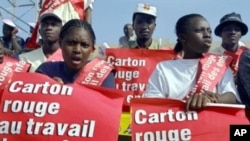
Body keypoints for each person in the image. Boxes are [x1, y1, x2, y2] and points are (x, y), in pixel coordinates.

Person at [143, 14, 240, 111]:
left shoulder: (220, 63)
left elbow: (231, 96)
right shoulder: (164, 69)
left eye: (209, 31)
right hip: (176, 125)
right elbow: (152, 105)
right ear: (183, 37)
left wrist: (211, 99)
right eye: (199, 30)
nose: (207, 35)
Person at [36, 19, 115, 88]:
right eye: (71, 43)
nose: (77, 50)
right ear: (60, 43)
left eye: (84, 45)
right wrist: (49, 91)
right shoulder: (46, 70)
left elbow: (107, 104)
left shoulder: (102, 74)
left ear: (92, 49)